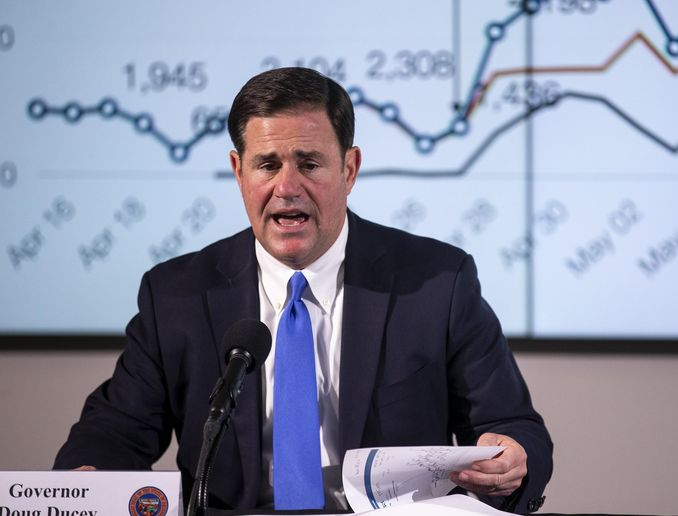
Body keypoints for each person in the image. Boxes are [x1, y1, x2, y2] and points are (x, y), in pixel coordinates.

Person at [54, 67, 552, 514]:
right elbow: (114, 431)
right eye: (267, 164)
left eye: (309, 163)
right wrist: (87, 482)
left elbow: (512, 424)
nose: (287, 186)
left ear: (349, 170)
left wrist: (511, 455)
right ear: (238, 171)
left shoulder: (437, 282)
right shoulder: (176, 295)